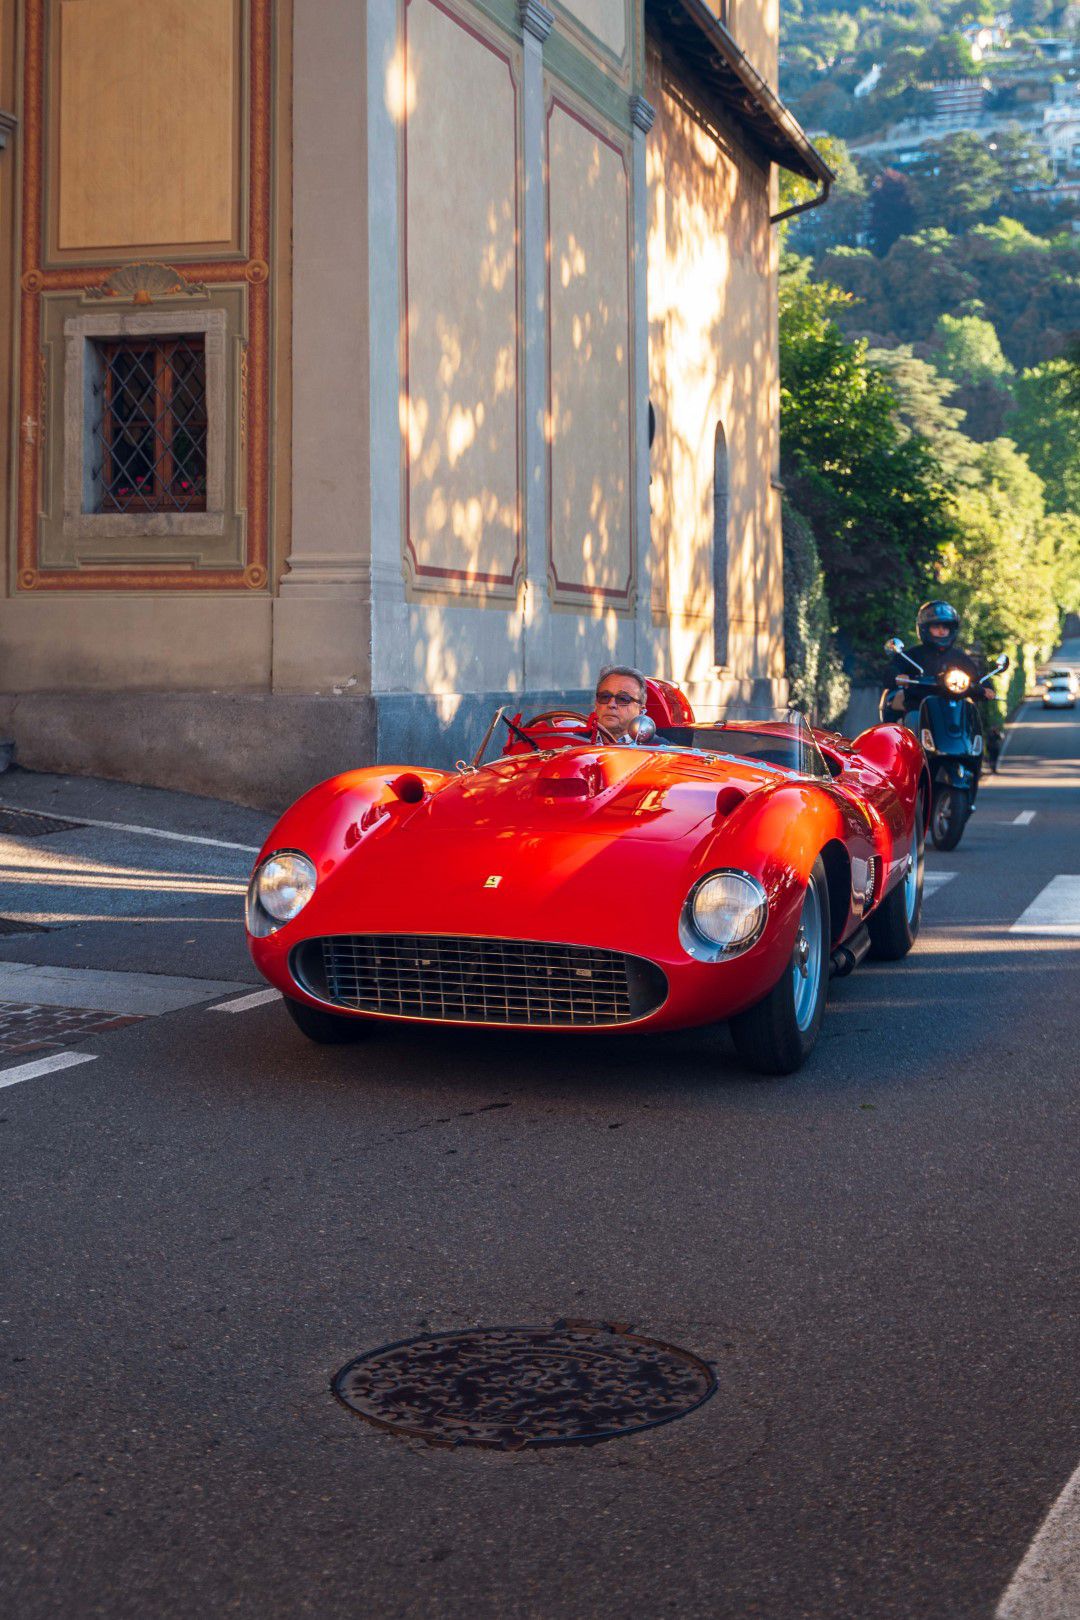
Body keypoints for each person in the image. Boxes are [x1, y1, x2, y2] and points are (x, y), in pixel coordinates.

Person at [882, 601, 996, 721]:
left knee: (971, 720)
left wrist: (986, 687)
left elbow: (976, 677)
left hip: (954, 710)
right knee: (911, 720)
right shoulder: (912, 655)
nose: (941, 631)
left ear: (952, 630)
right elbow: (892, 669)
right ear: (925, 628)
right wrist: (897, 676)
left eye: (945, 627)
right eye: (936, 627)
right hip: (918, 708)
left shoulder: (959, 657)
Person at [592, 664, 649, 741]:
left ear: (641, 711)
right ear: (596, 704)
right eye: (605, 697)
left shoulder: (659, 749)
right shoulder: (576, 742)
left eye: (623, 699)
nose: (611, 704)